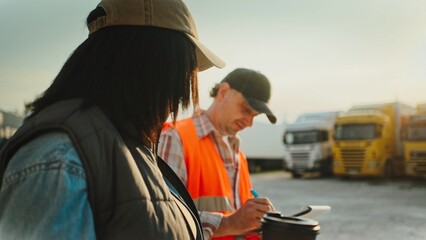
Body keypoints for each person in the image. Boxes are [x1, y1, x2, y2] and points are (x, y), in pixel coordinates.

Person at [0, 0, 225, 239]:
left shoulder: (128, 148)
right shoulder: (60, 158)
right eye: (180, 72)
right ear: (149, 64)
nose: (178, 96)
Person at [158, 68, 277, 240]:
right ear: (223, 92)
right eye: (245, 110)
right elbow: (165, 218)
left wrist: (257, 225)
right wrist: (231, 223)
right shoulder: (176, 138)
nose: (250, 123)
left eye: (255, 116)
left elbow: (238, 227)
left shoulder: (239, 156)